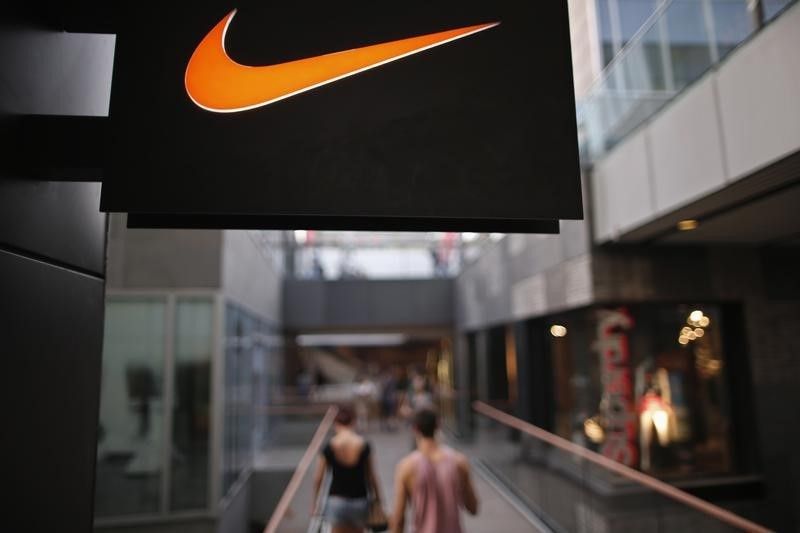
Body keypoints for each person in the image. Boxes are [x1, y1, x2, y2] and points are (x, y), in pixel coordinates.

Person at [391, 409, 478, 533]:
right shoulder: (459, 462)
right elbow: (473, 508)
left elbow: (399, 518)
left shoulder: (406, 467)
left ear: (415, 429)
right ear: (438, 426)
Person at [312, 405, 383, 533]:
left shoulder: (329, 446)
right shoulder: (363, 445)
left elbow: (318, 478)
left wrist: (315, 503)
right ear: (353, 421)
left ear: (336, 423)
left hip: (336, 500)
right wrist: (378, 499)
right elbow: (372, 477)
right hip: (359, 499)